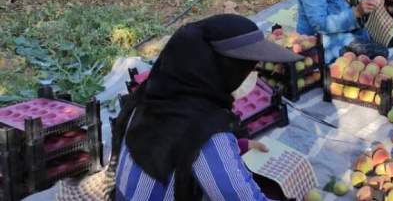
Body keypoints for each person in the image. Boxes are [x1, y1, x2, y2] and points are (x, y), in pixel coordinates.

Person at [111, 14, 301, 200]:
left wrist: (239, 145)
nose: (253, 75)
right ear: (225, 71)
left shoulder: (154, 95)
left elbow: (169, 148)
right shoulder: (206, 133)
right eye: (248, 68)